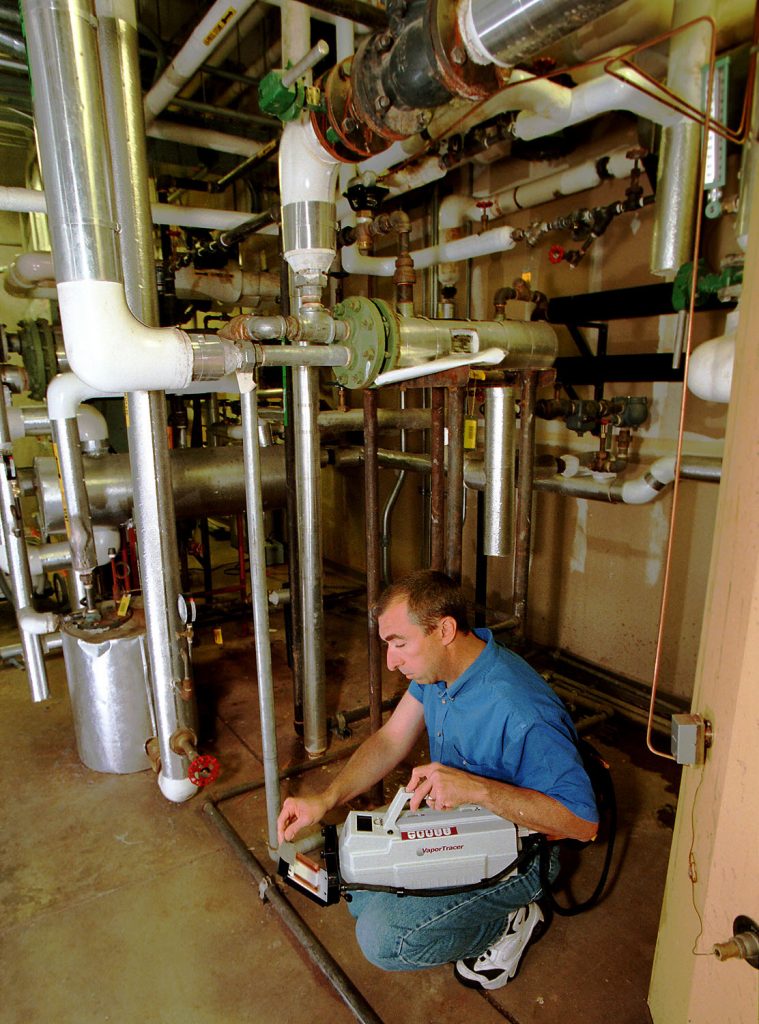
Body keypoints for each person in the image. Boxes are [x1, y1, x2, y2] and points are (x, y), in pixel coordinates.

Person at [277, 570, 598, 989]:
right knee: (359, 889)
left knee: (382, 940)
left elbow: (583, 824)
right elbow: (391, 740)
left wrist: (476, 789)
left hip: (522, 851)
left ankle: (510, 923)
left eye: (399, 644)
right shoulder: (445, 669)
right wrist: (327, 797)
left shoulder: (519, 710)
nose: (391, 662)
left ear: (444, 629)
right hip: (460, 823)